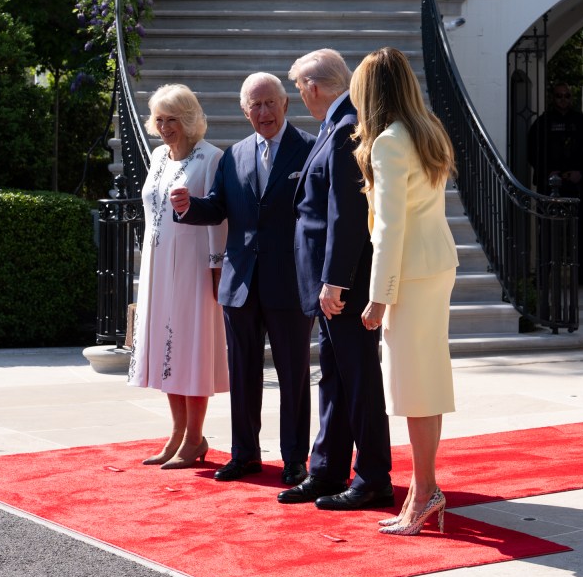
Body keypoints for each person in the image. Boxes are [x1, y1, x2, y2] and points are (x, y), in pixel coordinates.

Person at [169, 73, 316, 486]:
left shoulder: (309, 149)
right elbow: (217, 207)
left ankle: (295, 460)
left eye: (270, 103)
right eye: (256, 105)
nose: (264, 112)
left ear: (286, 104)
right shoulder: (233, 156)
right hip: (241, 284)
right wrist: (188, 207)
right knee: (243, 374)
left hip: (290, 284)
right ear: (244, 110)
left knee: (294, 376)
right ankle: (245, 455)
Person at [278, 48, 393, 511]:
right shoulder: (337, 122)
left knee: (358, 377)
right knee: (334, 377)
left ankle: (373, 477)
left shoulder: (347, 126)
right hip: (332, 283)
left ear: (312, 87)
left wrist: (335, 281)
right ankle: (327, 468)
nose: (300, 97)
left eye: (299, 89)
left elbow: (348, 215)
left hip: (342, 285)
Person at [350, 47, 459, 537]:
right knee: (428, 382)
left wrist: (378, 295)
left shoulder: (390, 142)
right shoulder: (427, 128)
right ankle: (423, 490)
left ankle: (425, 492)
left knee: (414, 388)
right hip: (434, 265)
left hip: (410, 275)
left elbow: (390, 226)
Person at [129, 84, 229, 469]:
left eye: (173, 119)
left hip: (193, 264)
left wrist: (216, 263)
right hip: (157, 262)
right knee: (164, 347)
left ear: (188, 120)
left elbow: (218, 216)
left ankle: (194, 438)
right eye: (160, 119)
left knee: (191, 348)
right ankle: (177, 433)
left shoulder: (211, 158)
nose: (166, 126)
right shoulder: (157, 156)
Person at [527, 83, 583, 285]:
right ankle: (544, 276)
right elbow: (532, 151)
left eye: (567, 95)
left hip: (575, 184)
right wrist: (545, 172)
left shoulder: (581, 122)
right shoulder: (543, 122)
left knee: (578, 229)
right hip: (550, 185)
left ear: (571, 98)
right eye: (559, 95)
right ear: (553, 97)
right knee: (548, 230)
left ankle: (582, 275)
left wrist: (581, 171)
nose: (563, 99)